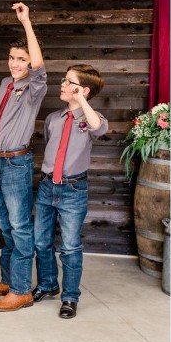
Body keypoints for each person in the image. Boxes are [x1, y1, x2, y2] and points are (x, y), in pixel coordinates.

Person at [0, 2, 47, 312]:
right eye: (11, 58)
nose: (15, 64)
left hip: (17, 162)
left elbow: (38, 66)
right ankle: (9, 280)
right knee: (5, 225)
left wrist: (26, 22)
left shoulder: (34, 86)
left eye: (22, 59)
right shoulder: (7, 83)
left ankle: (22, 290)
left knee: (20, 226)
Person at [33, 65, 107, 319]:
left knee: (70, 246)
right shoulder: (54, 119)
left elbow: (98, 127)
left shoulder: (91, 119)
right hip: (47, 187)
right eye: (64, 79)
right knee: (41, 241)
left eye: (69, 81)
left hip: (73, 190)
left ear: (83, 90)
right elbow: (49, 146)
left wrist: (82, 101)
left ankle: (70, 296)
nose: (62, 84)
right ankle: (47, 284)